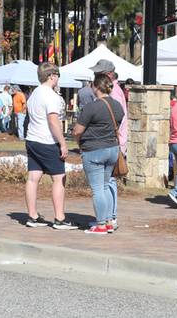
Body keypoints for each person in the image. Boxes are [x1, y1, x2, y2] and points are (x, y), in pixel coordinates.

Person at [24, 63, 77, 229]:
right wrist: (62, 143)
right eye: (58, 75)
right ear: (51, 76)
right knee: (59, 178)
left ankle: (32, 216)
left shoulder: (34, 94)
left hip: (32, 139)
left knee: (33, 178)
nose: (58, 78)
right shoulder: (50, 96)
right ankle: (60, 218)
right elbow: (53, 121)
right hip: (47, 141)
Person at [72, 73, 123, 234]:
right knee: (106, 185)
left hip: (94, 150)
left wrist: (79, 141)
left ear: (95, 86)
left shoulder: (92, 107)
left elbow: (77, 131)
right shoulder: (117, 105)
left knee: (97, 189)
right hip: (112, 149)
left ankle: (100, 224)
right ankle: (108, 221)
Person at [90, 60, 128, 227]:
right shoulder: (114, 91)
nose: (95, 76)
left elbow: (119, 119)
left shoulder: (114, 93)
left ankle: (110, 217)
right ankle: (108, 217)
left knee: (109, 182)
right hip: (113, 141)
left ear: (109, 74)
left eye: (99, 73)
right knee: (108, 182)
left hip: (113, 141)